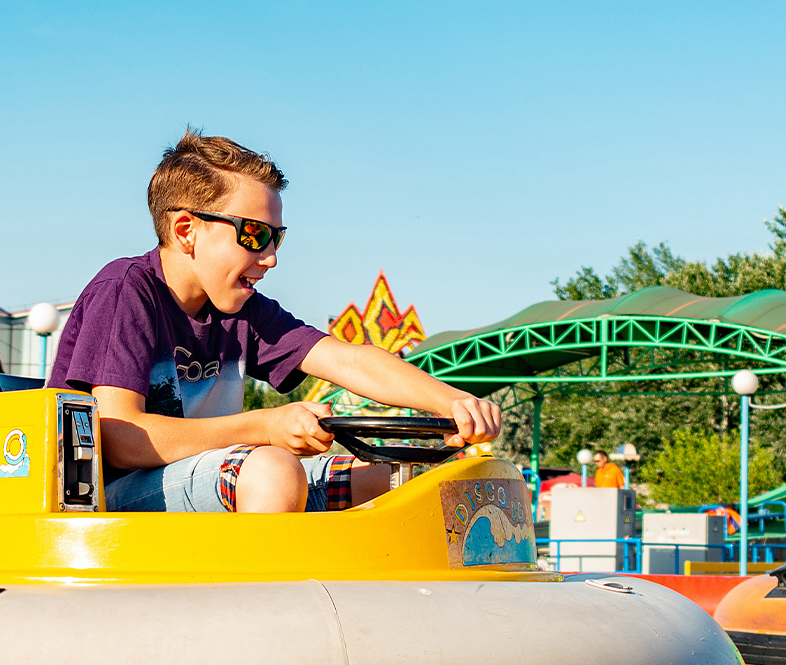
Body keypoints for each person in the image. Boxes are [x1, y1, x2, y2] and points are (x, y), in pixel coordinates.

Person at [46, 129, 501, 513]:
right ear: (187, 231)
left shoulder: (241, 308)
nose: (271, 257)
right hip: (100, 503)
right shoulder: (127, 290)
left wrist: (452, 400)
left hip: (201, 477)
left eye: (277, 237)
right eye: (254, 234)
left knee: (389, 480)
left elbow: (350, 362)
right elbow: (119, 436)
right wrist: (264, 427)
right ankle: (257, 613)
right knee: (271, 468)